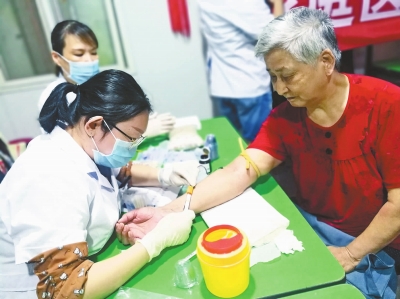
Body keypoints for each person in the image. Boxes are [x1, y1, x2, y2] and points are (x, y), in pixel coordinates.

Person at [117, 7, 400, 299]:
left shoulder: (387, 106)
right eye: (273, 76)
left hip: (375, 243)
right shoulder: (286, 118)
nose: (279, 88)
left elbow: (398, 206)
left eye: (287, 76)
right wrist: (167, 212)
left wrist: (352, 254)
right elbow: (241, 170)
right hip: (316, 230)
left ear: (326, 61)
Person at [0, 70, 196, 298]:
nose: (134, 148)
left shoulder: (83, 144)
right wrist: (154, 243)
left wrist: (165, 174)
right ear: (93, 125)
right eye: (131, 139)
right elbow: (68, 287)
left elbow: (116, 172)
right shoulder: (47, 176)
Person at [38, 20, 176, 138]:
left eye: (93, 52)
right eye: (79, 54)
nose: (89, 60)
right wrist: (140, 132)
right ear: (57, 58)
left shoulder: (97, 85)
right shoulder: (54, 97)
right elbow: (76, 142)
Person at [197, 0, 283, 142]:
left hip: (221, 86)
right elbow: (276, 37)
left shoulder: (205, 3)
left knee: (231, 146)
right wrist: (278, 3)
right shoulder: (245, 4)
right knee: (259, 149)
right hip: (249, 86)